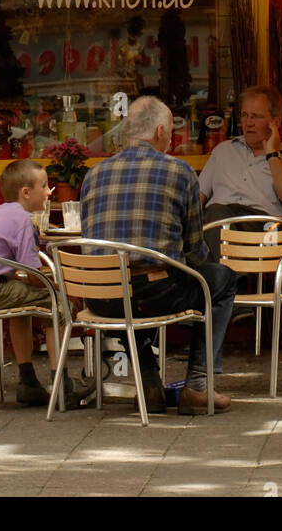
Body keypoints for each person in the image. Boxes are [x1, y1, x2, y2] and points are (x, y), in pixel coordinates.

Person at [79, 95, 237, 415]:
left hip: (100, 297)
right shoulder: (179, 171)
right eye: (170, 135)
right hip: (157, 292)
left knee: (125, 287)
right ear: (161, 131)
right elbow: (195, 249)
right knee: (220, 280)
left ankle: (149, 384)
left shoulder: (93, 175)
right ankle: (197, 385)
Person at [0, 158, 93, 407]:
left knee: (23, 302)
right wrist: (58, 285)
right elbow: (34, 275)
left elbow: (14, 270)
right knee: (57, 300)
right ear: (25, 193)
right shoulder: (23, 220)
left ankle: (28, 382)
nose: (49, 191)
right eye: (44, 186)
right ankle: (63, 386)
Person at [199, 84, 282, 261]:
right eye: (244, 115)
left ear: (275, 121)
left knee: (215, 217)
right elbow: (197, 198)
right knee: (213, 216)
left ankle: (225, 281)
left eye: (256, 116)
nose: (248, 123)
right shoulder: (223, 151)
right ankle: (232, 279)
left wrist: (272, 155)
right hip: (219, 225)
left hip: (265, 231)